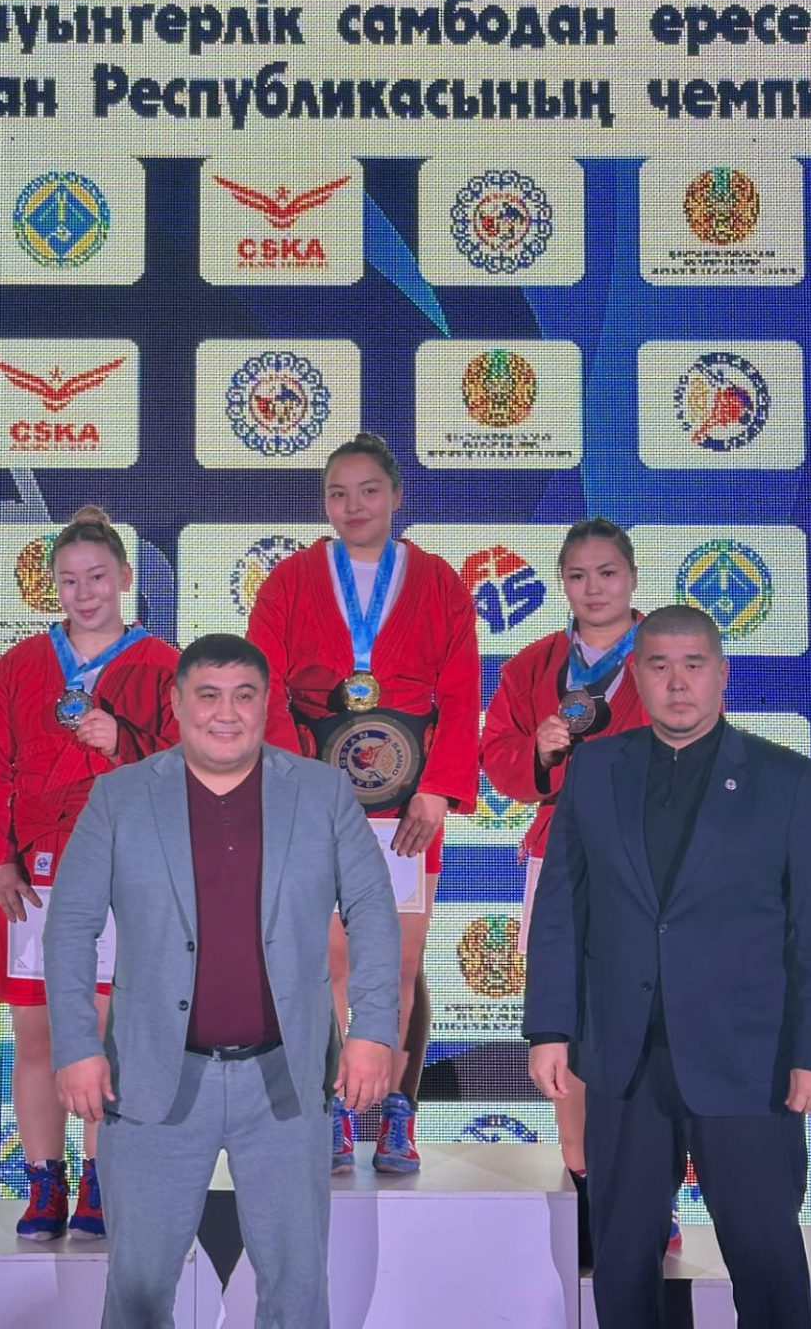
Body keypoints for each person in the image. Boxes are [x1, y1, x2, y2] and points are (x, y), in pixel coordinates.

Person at [43, 634, 401, 1329]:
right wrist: (77, 1046)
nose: (226, 713)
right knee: (138, 1291)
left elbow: (372, 912)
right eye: (207, 695)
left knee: (297, 1294)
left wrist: (373, 1030)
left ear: (266, 704)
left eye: (244, 696)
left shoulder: (323, 791)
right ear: (177, 703)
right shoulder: (119, 797)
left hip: (285, 1078)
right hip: (152, 1079)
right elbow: (70, 927)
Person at [524, 605, 811, 1329]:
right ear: (636, 678)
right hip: (623, 1061)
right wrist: (549, 1028)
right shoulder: (595, 771)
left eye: (693, 665)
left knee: (765, 1256)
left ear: (721, 675)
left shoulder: (787, 779)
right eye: (658, 666)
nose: (677, 683)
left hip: (751, 1062)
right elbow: (560, 910)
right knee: (621, 1258)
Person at [246, 431, 479, 1173]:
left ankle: (398, 1112)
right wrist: (292, 786)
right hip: (316, 798)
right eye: (338, 494)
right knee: (331, 958)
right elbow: (261, 686)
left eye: (368, 491)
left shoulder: (439, 582)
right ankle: (335, 1107)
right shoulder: (288, 581)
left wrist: (439, 788)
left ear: (396, 496)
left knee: (401, 960)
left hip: (407, 806)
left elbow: (461, 689)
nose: (353, 506)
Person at [0, 506, 179, 1241]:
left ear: (125, 578)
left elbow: (201, 769)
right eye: (70, 581)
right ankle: (44, 1181)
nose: (85, 594)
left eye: (97, 577)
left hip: (124, 869)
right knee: (38, 1033)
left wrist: (126, 743)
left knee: (109, 1033)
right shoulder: (18, 667)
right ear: (53, 586)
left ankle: (102, 1177)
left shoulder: (166, 666)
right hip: (36, 870)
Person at [480, 518, 651, 1256]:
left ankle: (648, 1195)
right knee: (569, 1026)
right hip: (559, 857)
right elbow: (496, 756)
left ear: (631, 577)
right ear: (562, 584)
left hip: (650, 862)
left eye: (606, 573)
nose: (593, 588)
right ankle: (586, 1185)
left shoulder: (663, 654)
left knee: (646, 1021)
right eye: (578, 576)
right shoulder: (532, 665)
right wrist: (540, 752)